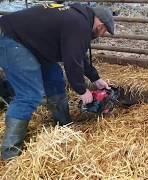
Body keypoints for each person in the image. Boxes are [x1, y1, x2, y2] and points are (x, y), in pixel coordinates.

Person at [0, 3, 114, 160]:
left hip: (32, 45)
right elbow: (72, 61)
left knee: (55, 78)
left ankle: (64, 126)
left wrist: (95, 78)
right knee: (29, 95)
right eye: (105, 31)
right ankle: (10, 153)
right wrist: (81, 90)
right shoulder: (78, 24)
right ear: (100, 23)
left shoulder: (78, 20)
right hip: (11, 39)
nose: (103, 34)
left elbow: (77, 54)